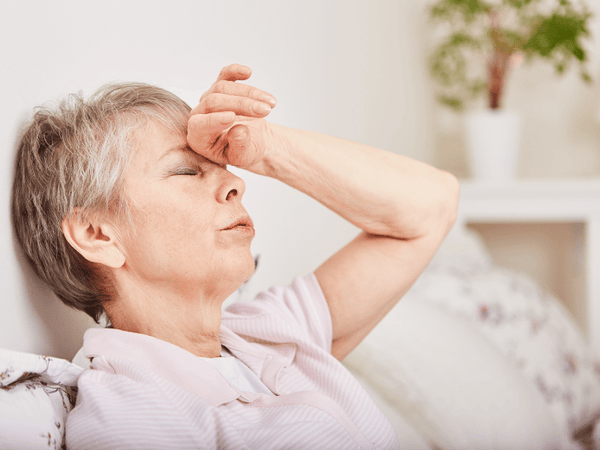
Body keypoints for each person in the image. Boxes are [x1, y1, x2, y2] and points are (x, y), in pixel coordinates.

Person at [11, 64, 459, 449]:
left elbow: (432, 206)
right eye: (186, 170)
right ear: (96, 234)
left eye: (225, 169)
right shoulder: (131, 414)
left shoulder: (268, 332)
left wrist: (265, 149)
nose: (236, 184)